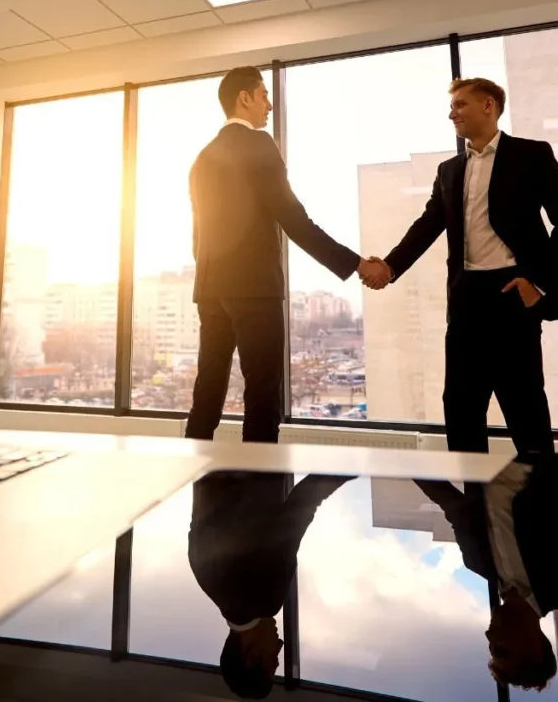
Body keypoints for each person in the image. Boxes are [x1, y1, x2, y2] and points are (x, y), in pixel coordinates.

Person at [185, 66, 385, 443]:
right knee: (262, 394)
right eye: (263, 95)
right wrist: (356, 263)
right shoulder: (258, 145)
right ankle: (260, 495)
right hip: (254, 289)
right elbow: (294, 219)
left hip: (210, 289)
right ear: (244, 98)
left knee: (207, 389)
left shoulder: (202, 158)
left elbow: (198, 235)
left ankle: (193, 486)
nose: (270, 105)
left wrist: (211, 278)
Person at [366, 76, 558, 455]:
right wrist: (389, 267)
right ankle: (471, 512)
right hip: (467, 301)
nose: (451, 113)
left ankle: (544, 509)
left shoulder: (532, 155)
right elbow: (427, 225)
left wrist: (540, 284)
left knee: (526, 412)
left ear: (488, 105)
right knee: (461, 411)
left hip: (512, 295)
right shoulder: (449, 170)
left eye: (460, 105)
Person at [188, 471, 350, 699]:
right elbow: (201, 484)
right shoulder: (203, 578)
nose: (281, 645)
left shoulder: (268, 599)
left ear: (252, 656)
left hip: (262, 460)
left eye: (273, 658)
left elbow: (303, 502)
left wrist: (356, 466)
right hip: (220, 454)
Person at [415, 456, 558, 692]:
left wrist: (404, 460)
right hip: (532, 446)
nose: (488, 636)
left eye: (490, 649)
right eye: (500, 650)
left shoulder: (476, 562)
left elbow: (451, 504)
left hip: (475, 446)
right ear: (533, 649)